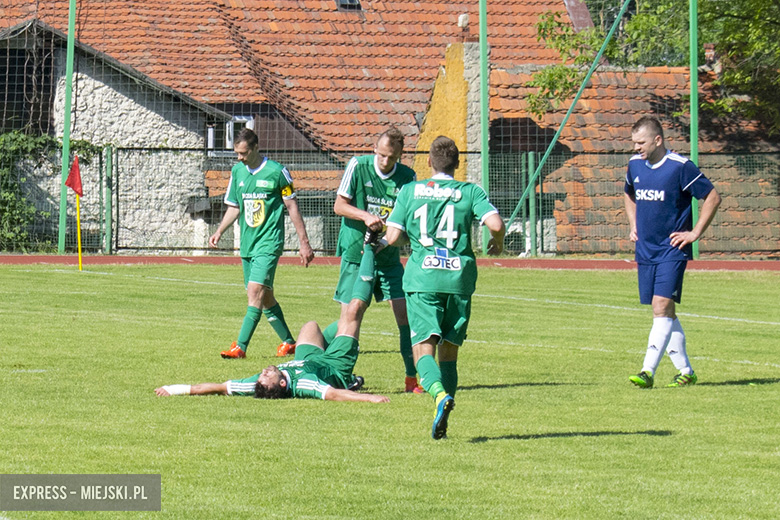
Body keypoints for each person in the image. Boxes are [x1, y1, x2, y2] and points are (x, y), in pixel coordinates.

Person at [156, 240, 389, 403]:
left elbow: (217, 388)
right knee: (354, 310)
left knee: (310, 326)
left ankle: (343, 334)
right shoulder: (305, 385)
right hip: (335, 366)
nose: (264, 371)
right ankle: (370, 248)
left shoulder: (257, 385)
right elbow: (334, 396)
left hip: (309, 359)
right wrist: (371, 398)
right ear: (282, 385)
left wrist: (173, 389)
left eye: (261, 375)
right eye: (267, 376)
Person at [381, 135, 505, 439]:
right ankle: (445, 419)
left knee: (423, 348)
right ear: (457, 164)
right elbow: (497, 225)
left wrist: (375, 245)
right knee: (449, 352)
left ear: (428, 162)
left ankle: (439, 396)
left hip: (423, 279)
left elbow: (393, 236)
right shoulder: (470, 191)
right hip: (459, 280)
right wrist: (497, 242)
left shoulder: (411, 191)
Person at [624, 116, 721, 389]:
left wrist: (695, 233)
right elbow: (629, 193)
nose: (637, 148)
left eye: (641, 143)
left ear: (658, 140)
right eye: (634, 143)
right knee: (666, 311)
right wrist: (633, 224)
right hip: (645, 249)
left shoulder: (680, 167)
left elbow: (712, 196)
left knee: (661, 306)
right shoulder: (634, 164)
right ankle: (686, 371)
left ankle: (647, 371)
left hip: (672, 249)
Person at [330, 127, 423, 393]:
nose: (384, 162)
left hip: (389, 258)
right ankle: (342, 374)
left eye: (391, 158)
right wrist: (365, 216)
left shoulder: (408, 178)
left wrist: (388, 241)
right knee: (351, 314)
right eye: (381, 155)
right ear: (374, 149)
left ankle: (412, 379)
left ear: (399, 156)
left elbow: (406, 226)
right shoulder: (357, 166)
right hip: (356, 255)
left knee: (406, 316)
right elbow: (339, 206)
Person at [209, 128, 315, 359]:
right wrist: (219, 231)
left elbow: (292, 207)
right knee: (265, 297)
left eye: (244, 153)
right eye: (237, 153)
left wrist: (304, 243)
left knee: (254, 292)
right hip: (248, 244)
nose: (239, 158)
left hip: (269, 243)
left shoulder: (278, 172)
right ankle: (289, 343)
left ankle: (240, 347)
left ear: (256, 148)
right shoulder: (237, 172)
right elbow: (234, 206)